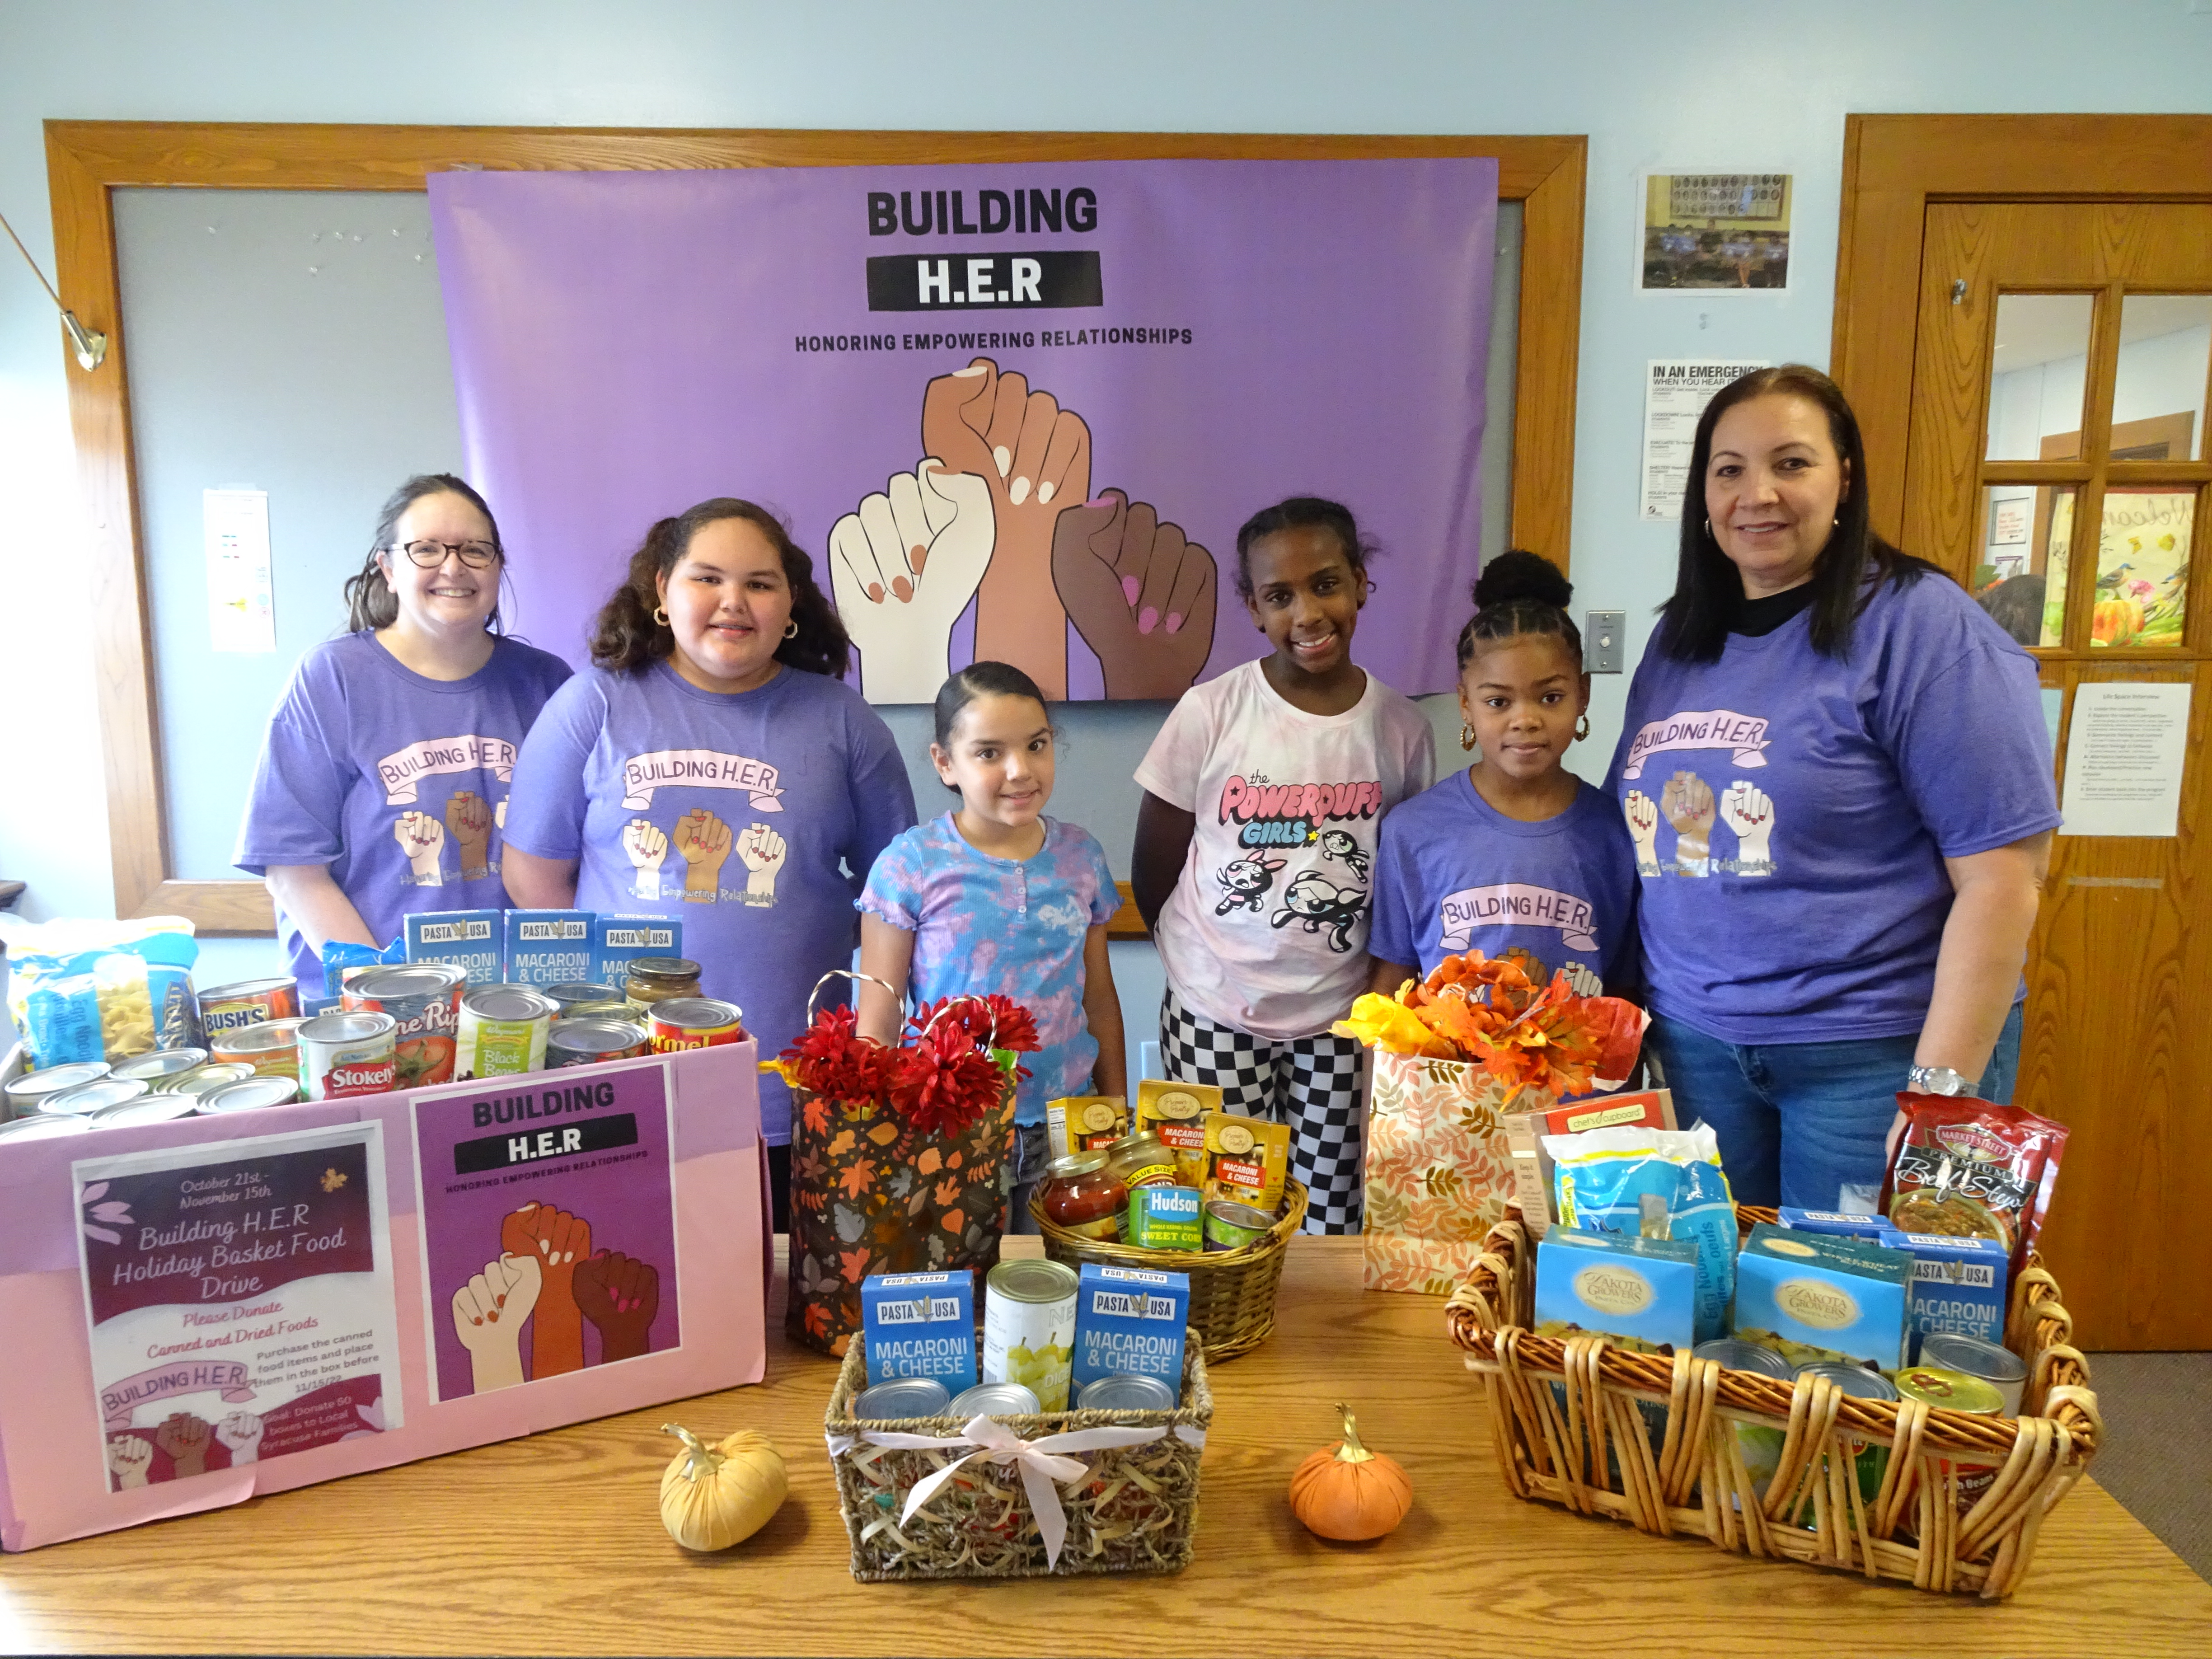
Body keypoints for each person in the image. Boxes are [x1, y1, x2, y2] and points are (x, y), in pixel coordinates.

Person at [1613, 364, 2059, 1211]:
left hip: (1875, 1056)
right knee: (1711, 1312)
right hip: (1698, 1048)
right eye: (1729, 468)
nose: (1758, 493)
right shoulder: (1680, 637)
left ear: (1844, 477)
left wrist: (1940, 1089)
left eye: (1791, 463)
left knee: (1855, 1329)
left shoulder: (1923, 626)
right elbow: (1639, 838)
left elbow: (2003, 880)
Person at [501, 498, 917, 1227]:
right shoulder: (590, 706)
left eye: (760, 583)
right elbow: (534, 880)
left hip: (800, 1088)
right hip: (626, 1080)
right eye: (707, 579)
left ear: (790, 603)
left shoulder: (844, 721)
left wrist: (872, 1050)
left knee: (796, 1313)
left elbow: (897, 895)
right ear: (661, 592)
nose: (734, 602)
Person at [1131, 497, 1434, 1233]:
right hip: (1214, 1010)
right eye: (1280, 596)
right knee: (1213, 1208)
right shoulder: (1211, 713)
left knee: (1330, 1211)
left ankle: (1315, 1350)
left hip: (1341, 1018)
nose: (1308, 612)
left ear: (1361, 583)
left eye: (1326, 584)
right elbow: (1154, 867)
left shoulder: (1400, 728)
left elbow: (1406, 878)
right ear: (1254, 608)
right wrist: (1209, 963)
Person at [236, 473, 572, 996]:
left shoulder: (548, 683)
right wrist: (390, 993)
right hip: (367, 1006)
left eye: (476, 550)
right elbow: (293, 871)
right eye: (427, 550)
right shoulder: (332, 678)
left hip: (517, 1005)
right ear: (388, 569)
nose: (453, 566)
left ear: (498, 566)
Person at [855, 662, 1126, 1231]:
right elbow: (879, 1014)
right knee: (965, 1293)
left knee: (1057, 1286)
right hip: (949, 1127)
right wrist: (871, 1133)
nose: (1020, 770)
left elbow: (1099, 995)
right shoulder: (910, 865)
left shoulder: (1082, 858)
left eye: (1036, 745)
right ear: (944, 763)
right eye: (989, 753)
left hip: (1066, 1125)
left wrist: (1115, 1108)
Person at [1367, 550, 1639, 1006]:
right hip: (1449, 1077)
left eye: (1550, 697)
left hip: (1578, 1076)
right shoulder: (1413, 830)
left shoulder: (1617, 831)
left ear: (1583, 694)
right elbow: (1392, 986)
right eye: (1498, 702)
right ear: (1466, 704)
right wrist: (1377, 1074)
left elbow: (1625, 994)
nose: (1525, 720)